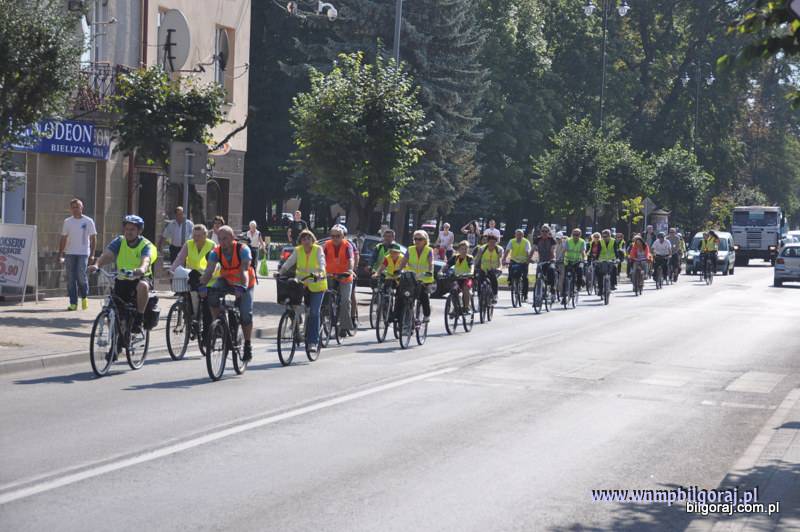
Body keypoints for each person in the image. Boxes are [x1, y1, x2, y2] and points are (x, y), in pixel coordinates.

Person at [89, 215, 157, 332]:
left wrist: (140, 269)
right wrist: (97, 265)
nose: (128, 232)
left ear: (139, 231)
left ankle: (139, 318)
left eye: (132, 229)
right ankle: (115, 339)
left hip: (140, 277)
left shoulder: (146, 245)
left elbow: (146, 260)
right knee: (114, 311)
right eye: (126, 229)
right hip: (122, 278)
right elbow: (107, 255)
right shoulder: (120, 241)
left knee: (142, 285)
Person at [199, 226, 256, 361]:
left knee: (245, 315)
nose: (222, 242)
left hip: (244, 283)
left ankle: (247, 345)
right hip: (226, 281)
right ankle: (218, 323)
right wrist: (202, 286)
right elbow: (209, 270)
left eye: (225, 239)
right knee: (212, 295)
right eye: (220, 239)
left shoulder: (243, 250)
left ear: (232, 238)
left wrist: (242, 287)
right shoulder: (216, 252)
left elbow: (244, 270)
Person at [279, 230, 326, 354]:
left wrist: (320, 273)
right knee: (293, 305)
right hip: (301, 283)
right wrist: (280, 272)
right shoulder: (298, 250)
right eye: (304, 239)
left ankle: (313, 342)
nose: (306, 241)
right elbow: (289, 262)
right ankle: (297, 329)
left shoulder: (318, 249)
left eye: (308, 238)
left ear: (313, 240)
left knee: (314, 312)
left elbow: (322, 263)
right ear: (300, 241)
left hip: (317, 284)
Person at [170, 224, 216, 341]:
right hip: (191, 275)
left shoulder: (211, 245)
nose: (196, 238)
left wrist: (207, 275)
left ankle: (204, 327)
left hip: (207, 277)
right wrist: (172, 270)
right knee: (188, 295)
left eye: (199, 236)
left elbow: (215, 264)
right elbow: (180, 259)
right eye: (194, 235)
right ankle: (190, 317)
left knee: (204, 302)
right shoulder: (189, 244)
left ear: (205, 235)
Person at [58, 198, 97, 311]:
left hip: (83, 253)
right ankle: (73, 303)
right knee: (71, 279)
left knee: (81, 276)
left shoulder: (88, 221)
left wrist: (92, 254)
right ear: (70, 209)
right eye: (73, 207)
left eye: (77, 207)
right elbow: (63, 238)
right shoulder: (67, 221)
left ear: (82, 208)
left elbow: (94, 238)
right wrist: (61, 254)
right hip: (70, 253)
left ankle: (84, 297)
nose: (75, 209)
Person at [323, 225, 355, 334]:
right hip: (330, 275)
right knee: (325, 298)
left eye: (338, 236)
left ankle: (344, 326)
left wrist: (350, 270)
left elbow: (351, 259)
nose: (335, 238)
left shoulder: (347, 245)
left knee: (345, 300)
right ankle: (326, 318)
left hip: (344, 276)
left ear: (342, 236)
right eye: (333, 236)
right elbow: (321, 258)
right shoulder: (327, 245)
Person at [398, 229, 434, 322]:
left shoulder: (429, 250)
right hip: (411, 277)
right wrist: (399, 270)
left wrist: (429, 271)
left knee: (423, 295)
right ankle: (401, 315)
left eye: (420, 239)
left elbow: (431, 263)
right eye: (415, 239)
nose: (417, 241)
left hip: (424, 278)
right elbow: (403, 261)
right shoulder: (410, 249)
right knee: (403, 294)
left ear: (425, 240)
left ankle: (426, 315)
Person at [444, 240, 474, 312]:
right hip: (457, 278)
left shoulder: (469, 258)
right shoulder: (455, 257)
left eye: (466, 249)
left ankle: (466, 307)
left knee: (466, 288)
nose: (464, 251)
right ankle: (456, 307)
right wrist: (441, 272)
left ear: (468, 250)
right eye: (462, 249)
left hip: (467, 278)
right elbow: (447, 266)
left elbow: (472, 266)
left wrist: (471, 272)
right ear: (459, 250)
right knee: (453, 290)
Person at [503, 228, 532, 300]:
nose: (519, 236)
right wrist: (504, 259)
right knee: (510, 269)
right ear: (515, 235)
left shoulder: (526, 242)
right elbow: (507, 250)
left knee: (525, 277)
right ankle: (511, 281)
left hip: (523, 261)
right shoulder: (512, 241)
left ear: (523, 235)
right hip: (514, 260)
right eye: (517, 234)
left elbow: (528, 252)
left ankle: (525, 294)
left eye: (520, 235)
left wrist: (528, 260)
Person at [474, 231, 503, 304]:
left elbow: (500, 260)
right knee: (480, 280)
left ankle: (495, 295)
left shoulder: (499, 249)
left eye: (494, 242)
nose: (492, 244)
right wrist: (473, 267)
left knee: (493, 279)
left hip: (494, 269)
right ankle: (480, 296)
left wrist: (499, 268)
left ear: (496, 242)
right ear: (487, 242)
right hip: (483, 268)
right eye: (490, 242)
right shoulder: (482, 249)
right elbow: (477, 259)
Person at [562, 228, 586, 304]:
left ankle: (578, 287)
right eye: (574, 234)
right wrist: (560, 258)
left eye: (577, 234)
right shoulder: (568, 241)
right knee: (565, 278)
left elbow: (583, 252)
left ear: (580, 235)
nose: (576, 236)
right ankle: (564, 296)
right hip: (568, 261)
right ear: (572, 234)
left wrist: (584, 259)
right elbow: (564, 251)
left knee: (580, 271)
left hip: (577, 261)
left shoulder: (582, 242)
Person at [534, 224, 557, 297]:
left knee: (551, 270)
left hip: (549, 260)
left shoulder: (552, 240)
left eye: (546, 231)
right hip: (541, 261)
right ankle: (540, 291)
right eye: (543, 231)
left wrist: (553, 259)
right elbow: (533, 250)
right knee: (538, 275)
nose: (544, 233)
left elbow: (552, 251)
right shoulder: (537, 239)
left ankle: (552, 289)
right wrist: (529, 259)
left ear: (549, 232)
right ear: (540, 232)